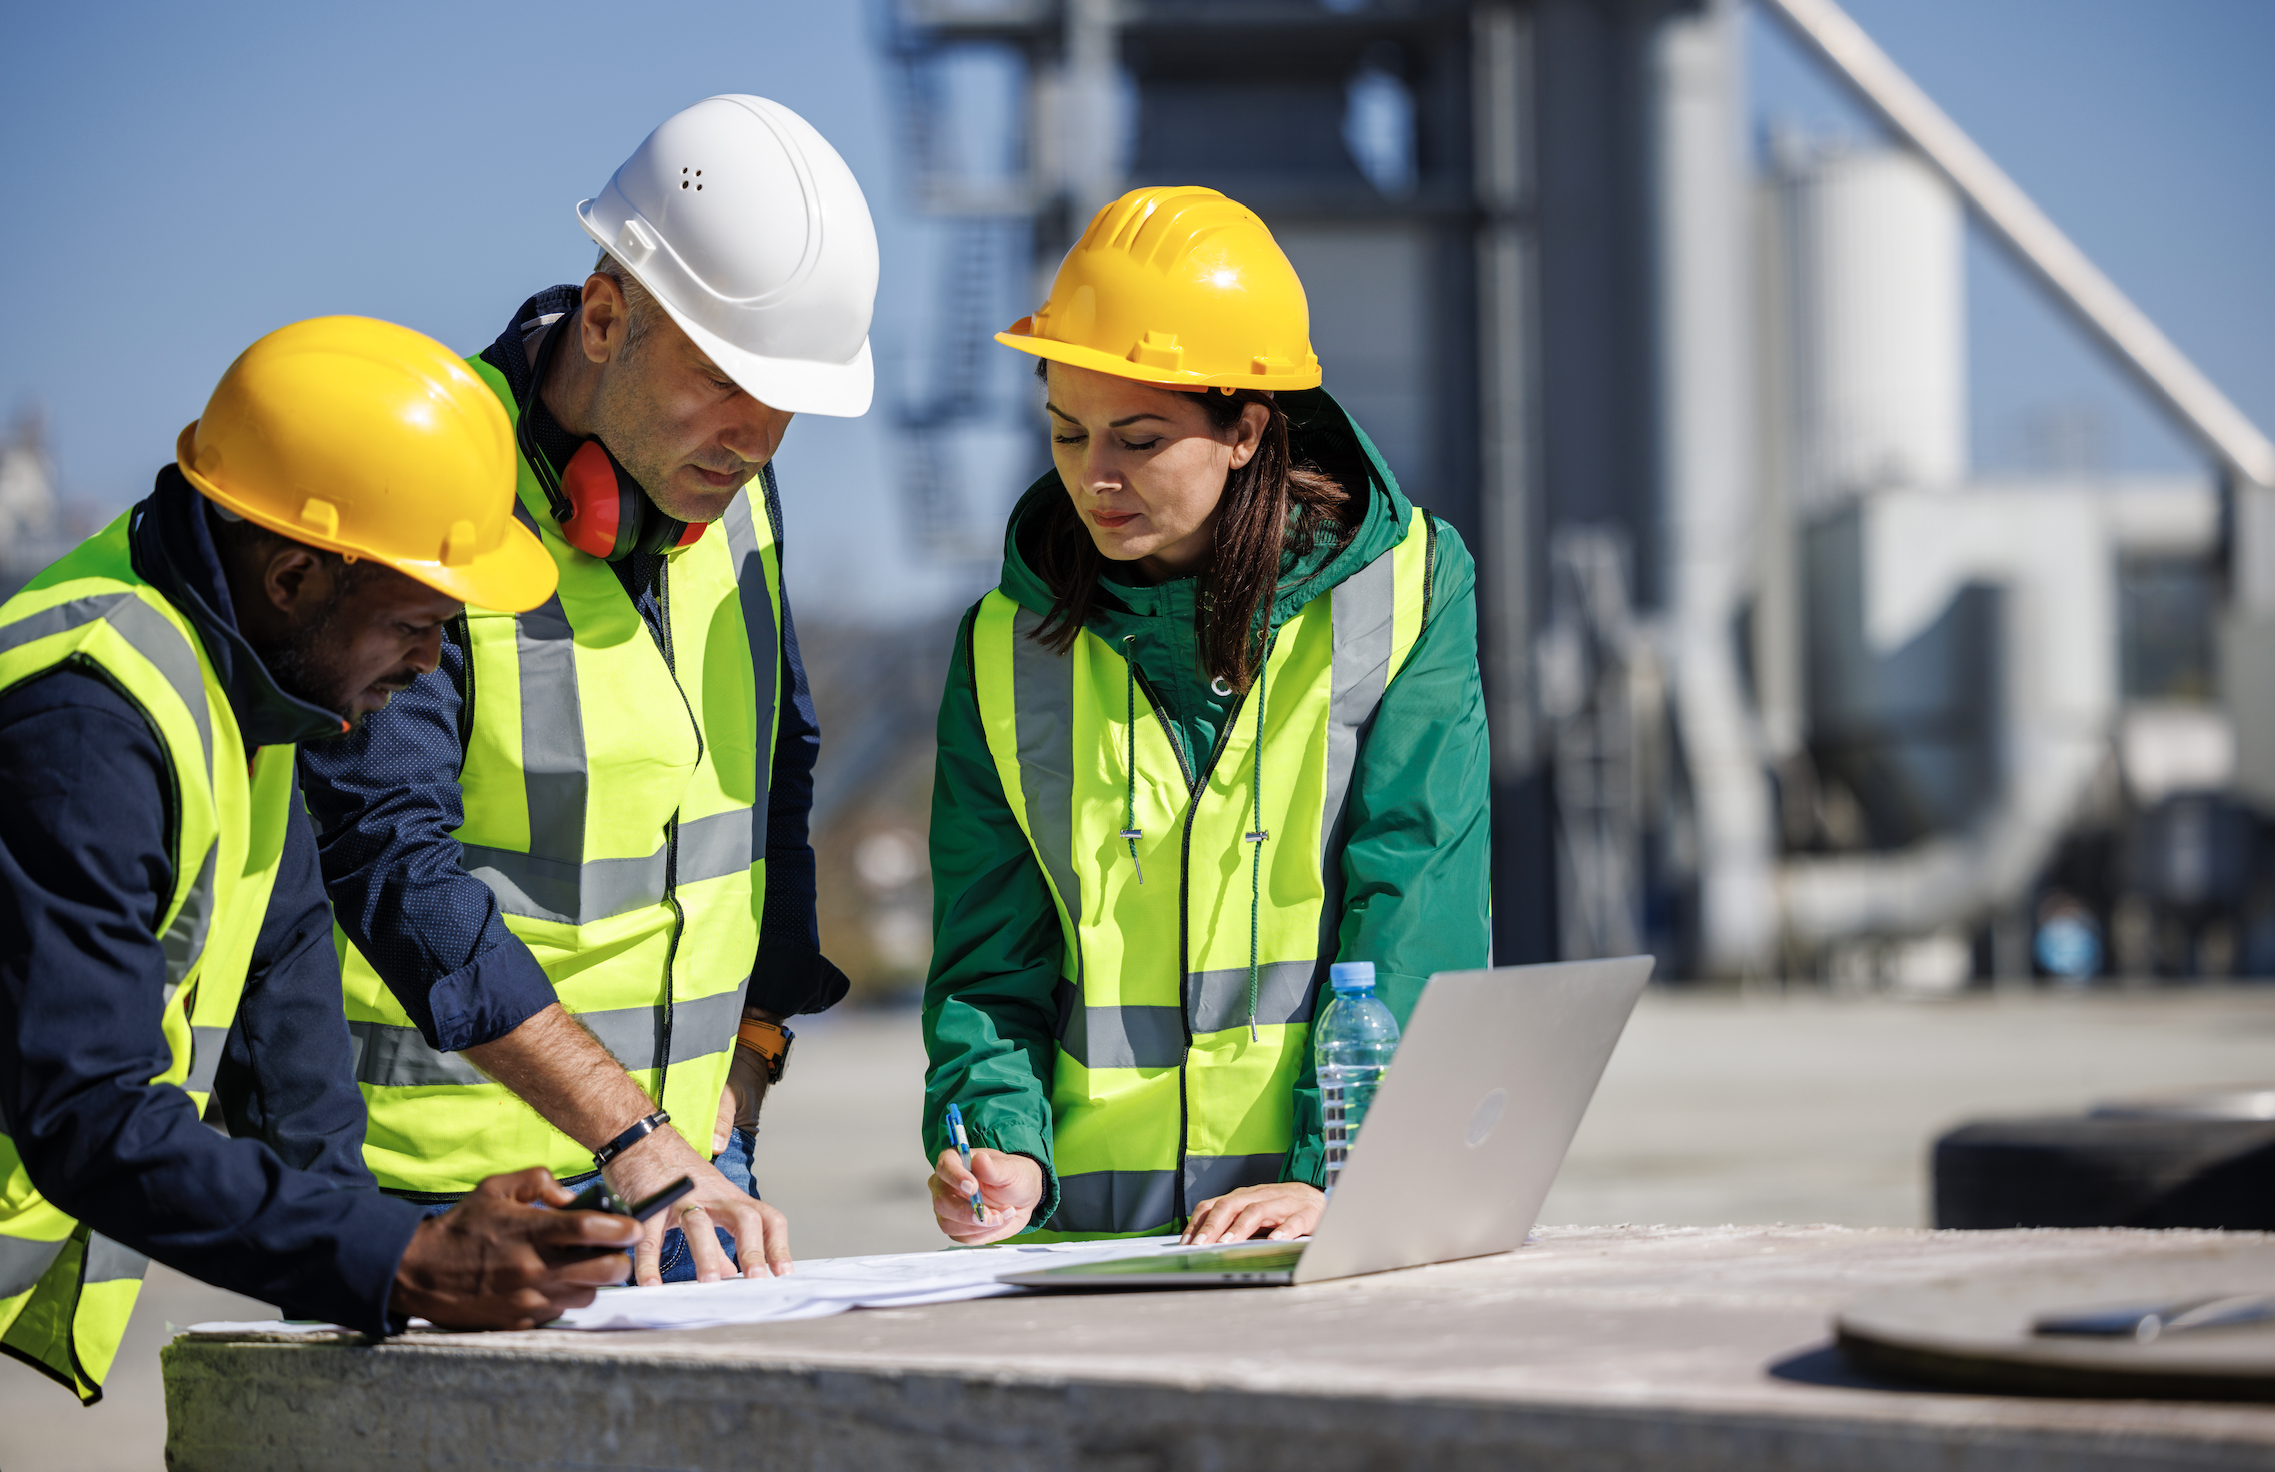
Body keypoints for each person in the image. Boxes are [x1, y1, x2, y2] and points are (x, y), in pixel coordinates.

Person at [0, 317, 640, 1404]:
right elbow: (90, 1109)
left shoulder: (252, 690)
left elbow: (287, 1046)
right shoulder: (83, 718)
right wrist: (410, 1262)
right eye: (415, 621)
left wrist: (392, 1253)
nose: (432, 660)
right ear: (295, 574)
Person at [295, 95, 876, 1285]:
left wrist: (753, 1057)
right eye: (722, 377)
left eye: (785, 401)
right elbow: (387, 857)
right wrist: (630, 1129)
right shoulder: (430, 482)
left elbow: (778, 787)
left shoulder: (738, 492)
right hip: (441, 1192)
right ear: (606, 315)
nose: (756, 435)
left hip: (684, 1177)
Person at [920, 186, 1491, 1247]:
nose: (1095, 476)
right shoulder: (1002, 647)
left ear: (1247, 429)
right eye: (1066, 430)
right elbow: (989, 965)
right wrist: (996, 1142)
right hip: (1088, 1250)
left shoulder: (1406, 590)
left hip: (1322, 1232)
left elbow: (1416, 907)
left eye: (1139, 439)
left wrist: (1350, 1176)